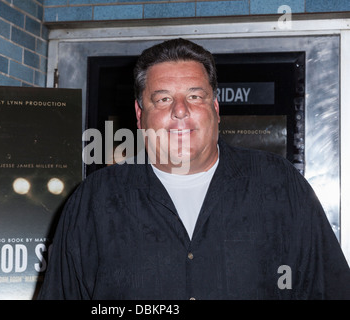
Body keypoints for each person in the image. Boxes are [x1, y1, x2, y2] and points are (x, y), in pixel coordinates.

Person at [38, 38, 350, 300]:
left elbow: (331, 290)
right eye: (162, 99)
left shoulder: (279, 185)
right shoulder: (94, 201)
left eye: (195, 96)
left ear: (215, 109)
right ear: (139, 113)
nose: (180, 111)